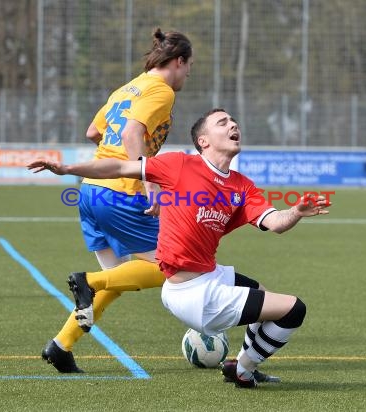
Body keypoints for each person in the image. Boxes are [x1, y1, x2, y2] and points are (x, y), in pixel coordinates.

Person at [28, 108, 332, 388]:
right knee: (294, 310)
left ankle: (245, 364)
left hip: (208, 277)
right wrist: (67, 168)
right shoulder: (179, 165)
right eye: (222, 122)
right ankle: (243, 369)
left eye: (233, 121)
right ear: (203, 141)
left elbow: (275, 223)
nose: (233, 124)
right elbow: (120, 166)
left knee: (264, 295)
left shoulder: (242, 186)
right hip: (195, 296)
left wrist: (295, 212)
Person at [40, 28, 193, 373]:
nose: (188, 75)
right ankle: (87, 282)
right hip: (121, 192)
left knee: (118, 277)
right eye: (188, 67)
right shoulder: (161, 90)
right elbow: (130, 132)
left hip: (90, 190)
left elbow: (94, 132)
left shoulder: (128, 87)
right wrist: (149, 180)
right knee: (172, 266)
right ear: (178, 61)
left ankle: (61, 346)